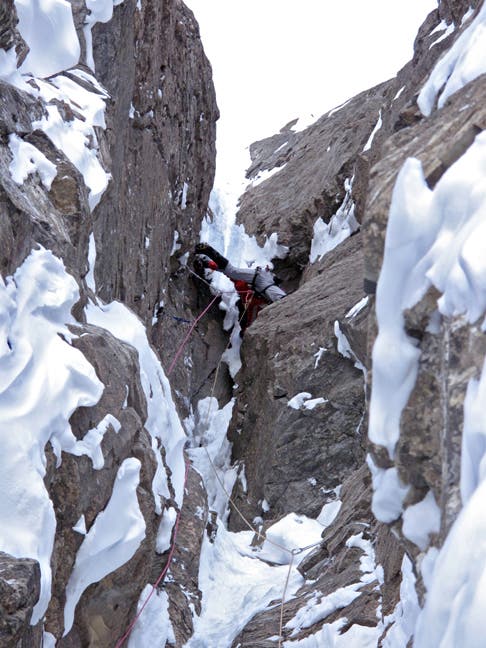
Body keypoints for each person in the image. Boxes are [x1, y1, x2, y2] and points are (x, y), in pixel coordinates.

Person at [193, 242, 286, 331]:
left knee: (231, 272)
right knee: (232, 272)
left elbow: (251, 315)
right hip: (260, 279)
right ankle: (208, 250)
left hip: (259, 280)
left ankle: (206, 256)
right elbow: (284, 299)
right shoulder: (259, 294)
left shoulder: (252, 302)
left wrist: (207, 264)